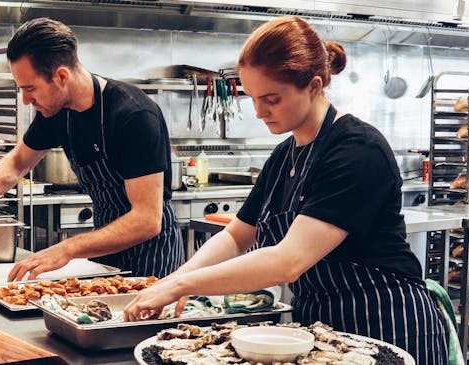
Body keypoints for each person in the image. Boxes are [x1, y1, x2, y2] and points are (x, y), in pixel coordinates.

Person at [123, 16, 447, 364]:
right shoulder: (283, 155)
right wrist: (175, 279)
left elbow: (288, 261)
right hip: (322, 333)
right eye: (252, 99)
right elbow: (236, 237)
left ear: (314, 85)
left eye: (272, 99)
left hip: (387, 324)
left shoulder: (357, 149)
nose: (260, 112)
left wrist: (181, 287)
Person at [0, 17, 184, 281]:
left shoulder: (132, 115)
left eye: (30, 89)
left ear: (61, 76)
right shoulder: (57, 113)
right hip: (104, 249)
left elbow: (146, 220)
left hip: (152, 257)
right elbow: (17, 163)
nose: (26, 100)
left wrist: (67, 249)